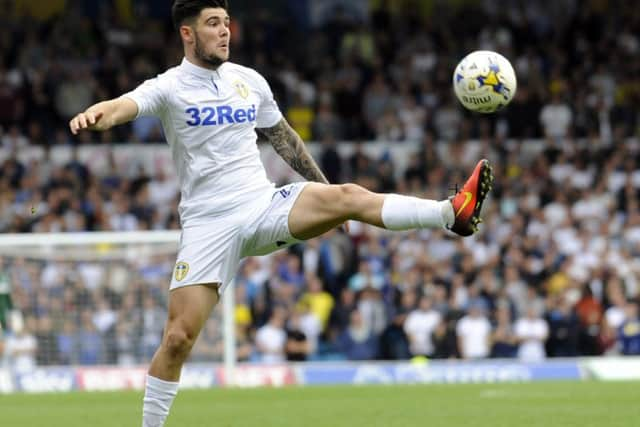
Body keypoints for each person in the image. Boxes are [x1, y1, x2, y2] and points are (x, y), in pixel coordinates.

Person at [68, 1, 493, 425]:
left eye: (226, 23)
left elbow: (285, 139)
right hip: (208, 225)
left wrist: (327, 197)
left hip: (262, 204)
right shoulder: (169, 86)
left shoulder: (248, 81)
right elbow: (126, 104)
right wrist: (99, 114)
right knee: (178, 339)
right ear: (187, 34)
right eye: (212, 24)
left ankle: (449, 212)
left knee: (346, 193)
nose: (224, 32)